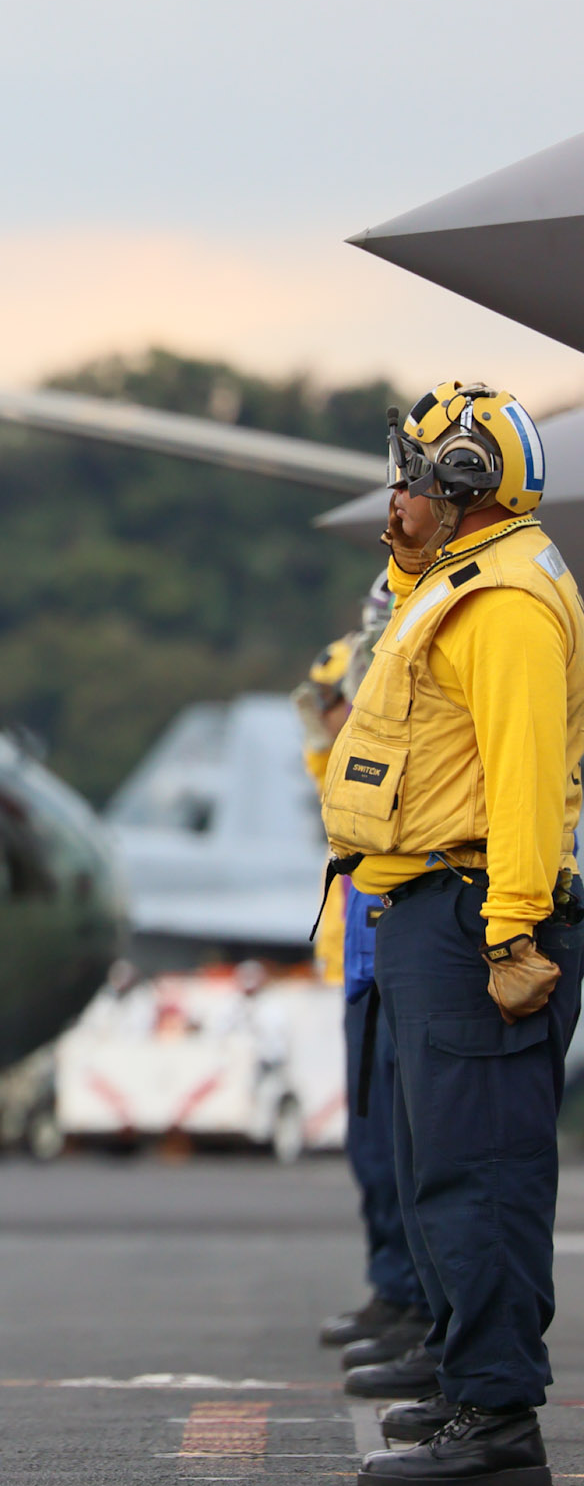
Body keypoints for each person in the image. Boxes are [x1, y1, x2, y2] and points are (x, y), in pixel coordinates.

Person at [324, 383, 584, 1486]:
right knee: (443, 1169)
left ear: (462, 486)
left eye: (413, 476)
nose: (398, 493)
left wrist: (510, 928)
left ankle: (492, 1417)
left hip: (473, 914)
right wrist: (402, 559)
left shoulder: (508, 605)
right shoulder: (464, 586)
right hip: (433, 908)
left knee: (477, 1172)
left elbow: (522, 783)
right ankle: (465, 1379)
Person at [294, 593, 433, 1386]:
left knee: (418, 1154)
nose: (334, 713)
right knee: (378, 1149)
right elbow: (341, 804)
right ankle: (401, 1295)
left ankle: (425, 1312)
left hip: (404, 950)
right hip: (368, 959)